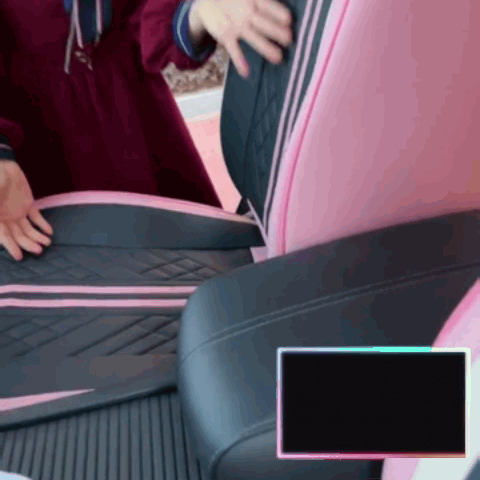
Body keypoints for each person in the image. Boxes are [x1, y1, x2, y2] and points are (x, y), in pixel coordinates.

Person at [0, 0, 293, 261]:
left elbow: (147, 15)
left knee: (186, 263)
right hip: (35, 139)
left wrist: (196, 12)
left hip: (136, 119)